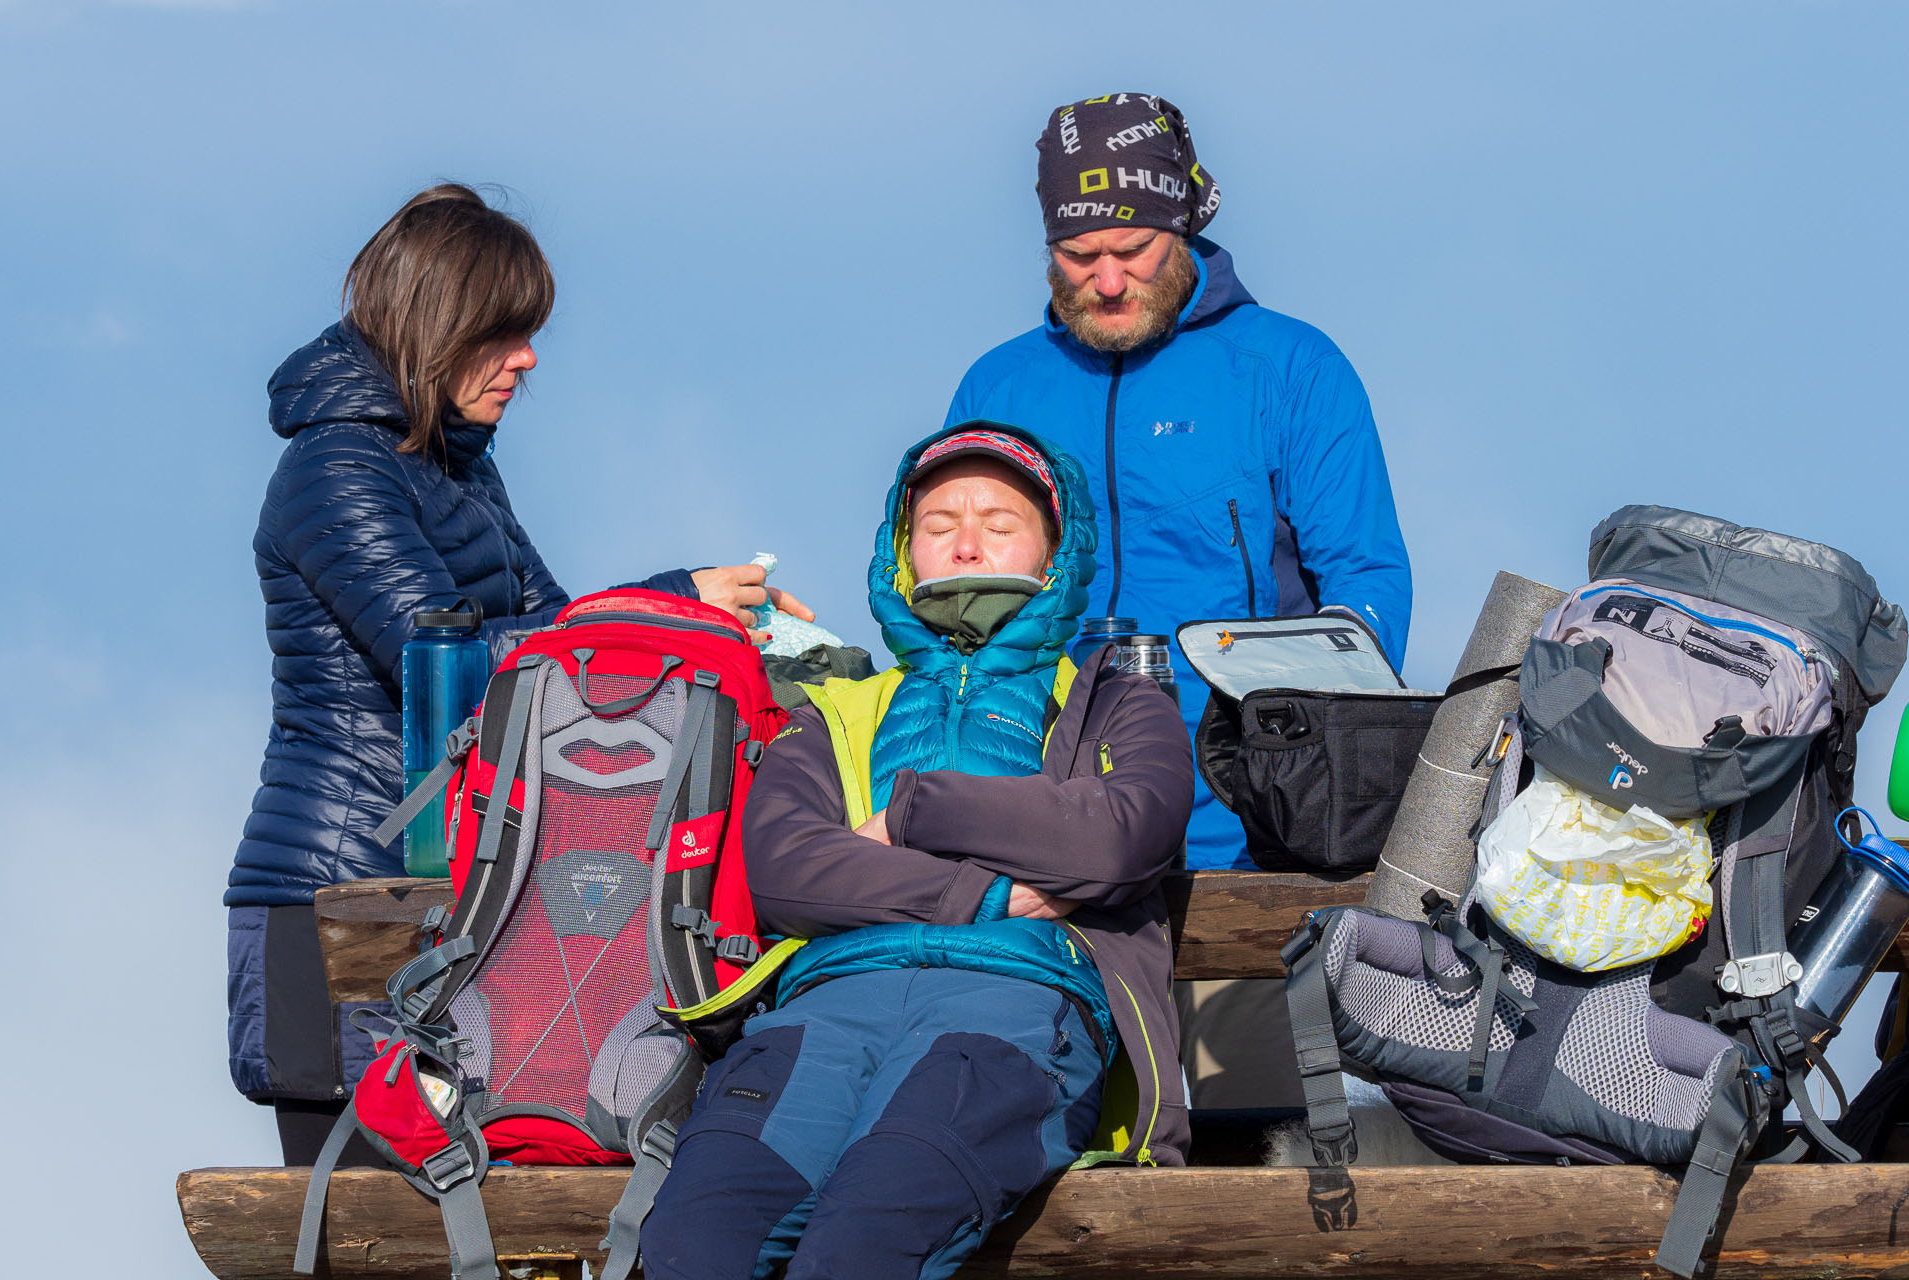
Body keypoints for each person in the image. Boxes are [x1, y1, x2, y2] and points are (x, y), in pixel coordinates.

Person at [225, 183, 811, 1165]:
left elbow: (557, 638)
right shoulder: (336, 470)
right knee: (366, 1212)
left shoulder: (456, 467)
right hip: (337, 889)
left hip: (453, 884)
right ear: (436, 325)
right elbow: (443, 660)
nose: (529, 359)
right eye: (504, 334)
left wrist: (683, 621)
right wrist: (676, 595)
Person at [638, 424, 1194, 1280]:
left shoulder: (1113, 702)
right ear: (904, 553)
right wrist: (995, 889)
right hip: (823, 1010)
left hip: (1015, 1006)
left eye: (999, 522)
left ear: (1055, 554)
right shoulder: (834, 709)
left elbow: (1122, 836)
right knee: (692, 1243)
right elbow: (789, 871)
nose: (967, 543)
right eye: (938, 524)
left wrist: (911, 811)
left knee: (861, 1248)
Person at [945, 93, 1413, 873]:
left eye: (1132, 249)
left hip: (1247, 832)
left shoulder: (1291, 367)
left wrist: (1303, 762)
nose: (1107, 280)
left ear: (1183, 225)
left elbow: (1365, 578)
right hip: (1042, 825)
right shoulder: (997, 388)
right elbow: (947, 590)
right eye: (1078, 253)